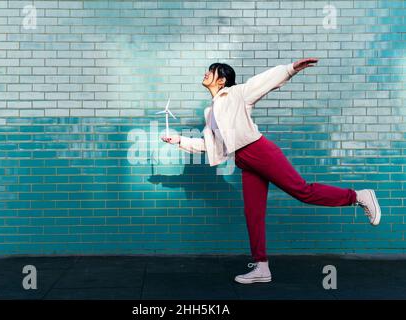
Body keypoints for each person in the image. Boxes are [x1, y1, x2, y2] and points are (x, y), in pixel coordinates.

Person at [161, 59, 381, 284]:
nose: (206, 73)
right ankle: (261, 267)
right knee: (253, 213)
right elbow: (212, 146)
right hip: (245, 162)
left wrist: (290, 69)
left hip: (258, 151)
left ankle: (359, 196)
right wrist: (178, 140)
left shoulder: (236, 94)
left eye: (211, 71)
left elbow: (263, 82)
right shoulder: (211, 112)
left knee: (302, 191)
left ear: (222, 79)